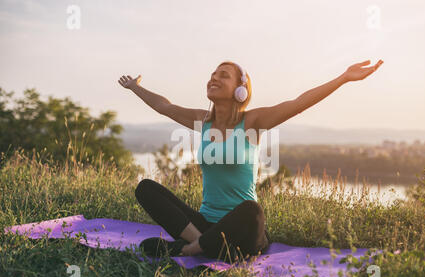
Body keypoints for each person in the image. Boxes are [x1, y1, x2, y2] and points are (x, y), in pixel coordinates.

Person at [118, 59, 383, 263]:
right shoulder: (203, 120)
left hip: (243, 233)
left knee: (252, 210)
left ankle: (189, 249)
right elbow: (165, 106)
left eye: (223, 75)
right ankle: (203, 245)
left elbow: (299, 102)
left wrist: (344, 78)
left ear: (241, 89)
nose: (214, 78)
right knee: (146, 188)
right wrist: (135, 88)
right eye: (212, 75)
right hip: (206, 225)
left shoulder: (252, 123)